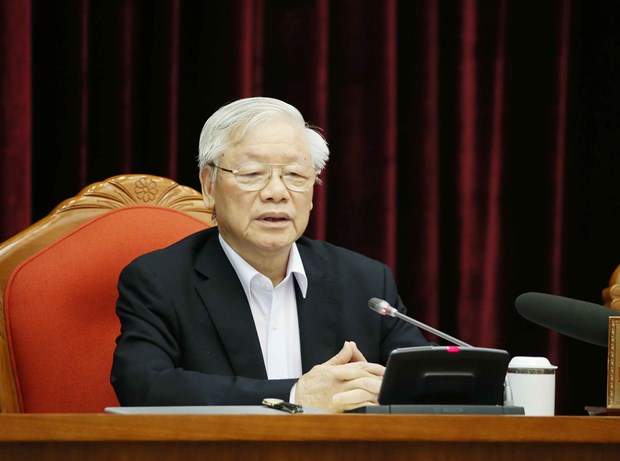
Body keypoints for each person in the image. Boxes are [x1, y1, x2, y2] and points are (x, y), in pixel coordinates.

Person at [111, 96, 429, 413]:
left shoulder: (366, 283)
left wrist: (387, 390)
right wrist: (295, 394)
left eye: (295, 175)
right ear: (209, 186)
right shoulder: (159, 281)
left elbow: (429, 384)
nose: (276, 192)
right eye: (252, 173)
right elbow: (143, 385)